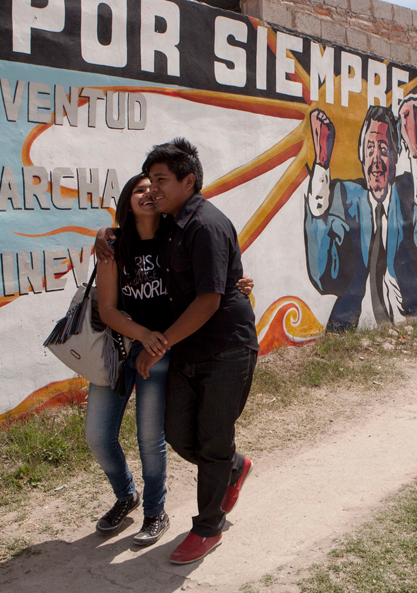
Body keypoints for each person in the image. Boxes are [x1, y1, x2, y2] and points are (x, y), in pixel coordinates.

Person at [99, 139, 258, 565]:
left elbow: (208, 300)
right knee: (178, 433)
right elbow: (130, 229)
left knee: (211, 439)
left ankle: (208, 528)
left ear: (189, 181)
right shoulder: (171, 224)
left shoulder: (204, 225)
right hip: (188, 349)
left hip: (226, 347)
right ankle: (232, 467)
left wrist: (159, 344)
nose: (153, 188)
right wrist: (104, 234)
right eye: (149, 180)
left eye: (162, 180)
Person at [304, 96, 417, 330]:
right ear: (361, 156)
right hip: (350, 324)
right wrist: (321, 163)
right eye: (370, 149)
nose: (376, 160)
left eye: (384, 149)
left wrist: (415, 151)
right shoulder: (344, 195)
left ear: (397, 156)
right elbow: (320, 276)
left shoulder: (408, 189)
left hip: (410, 313)